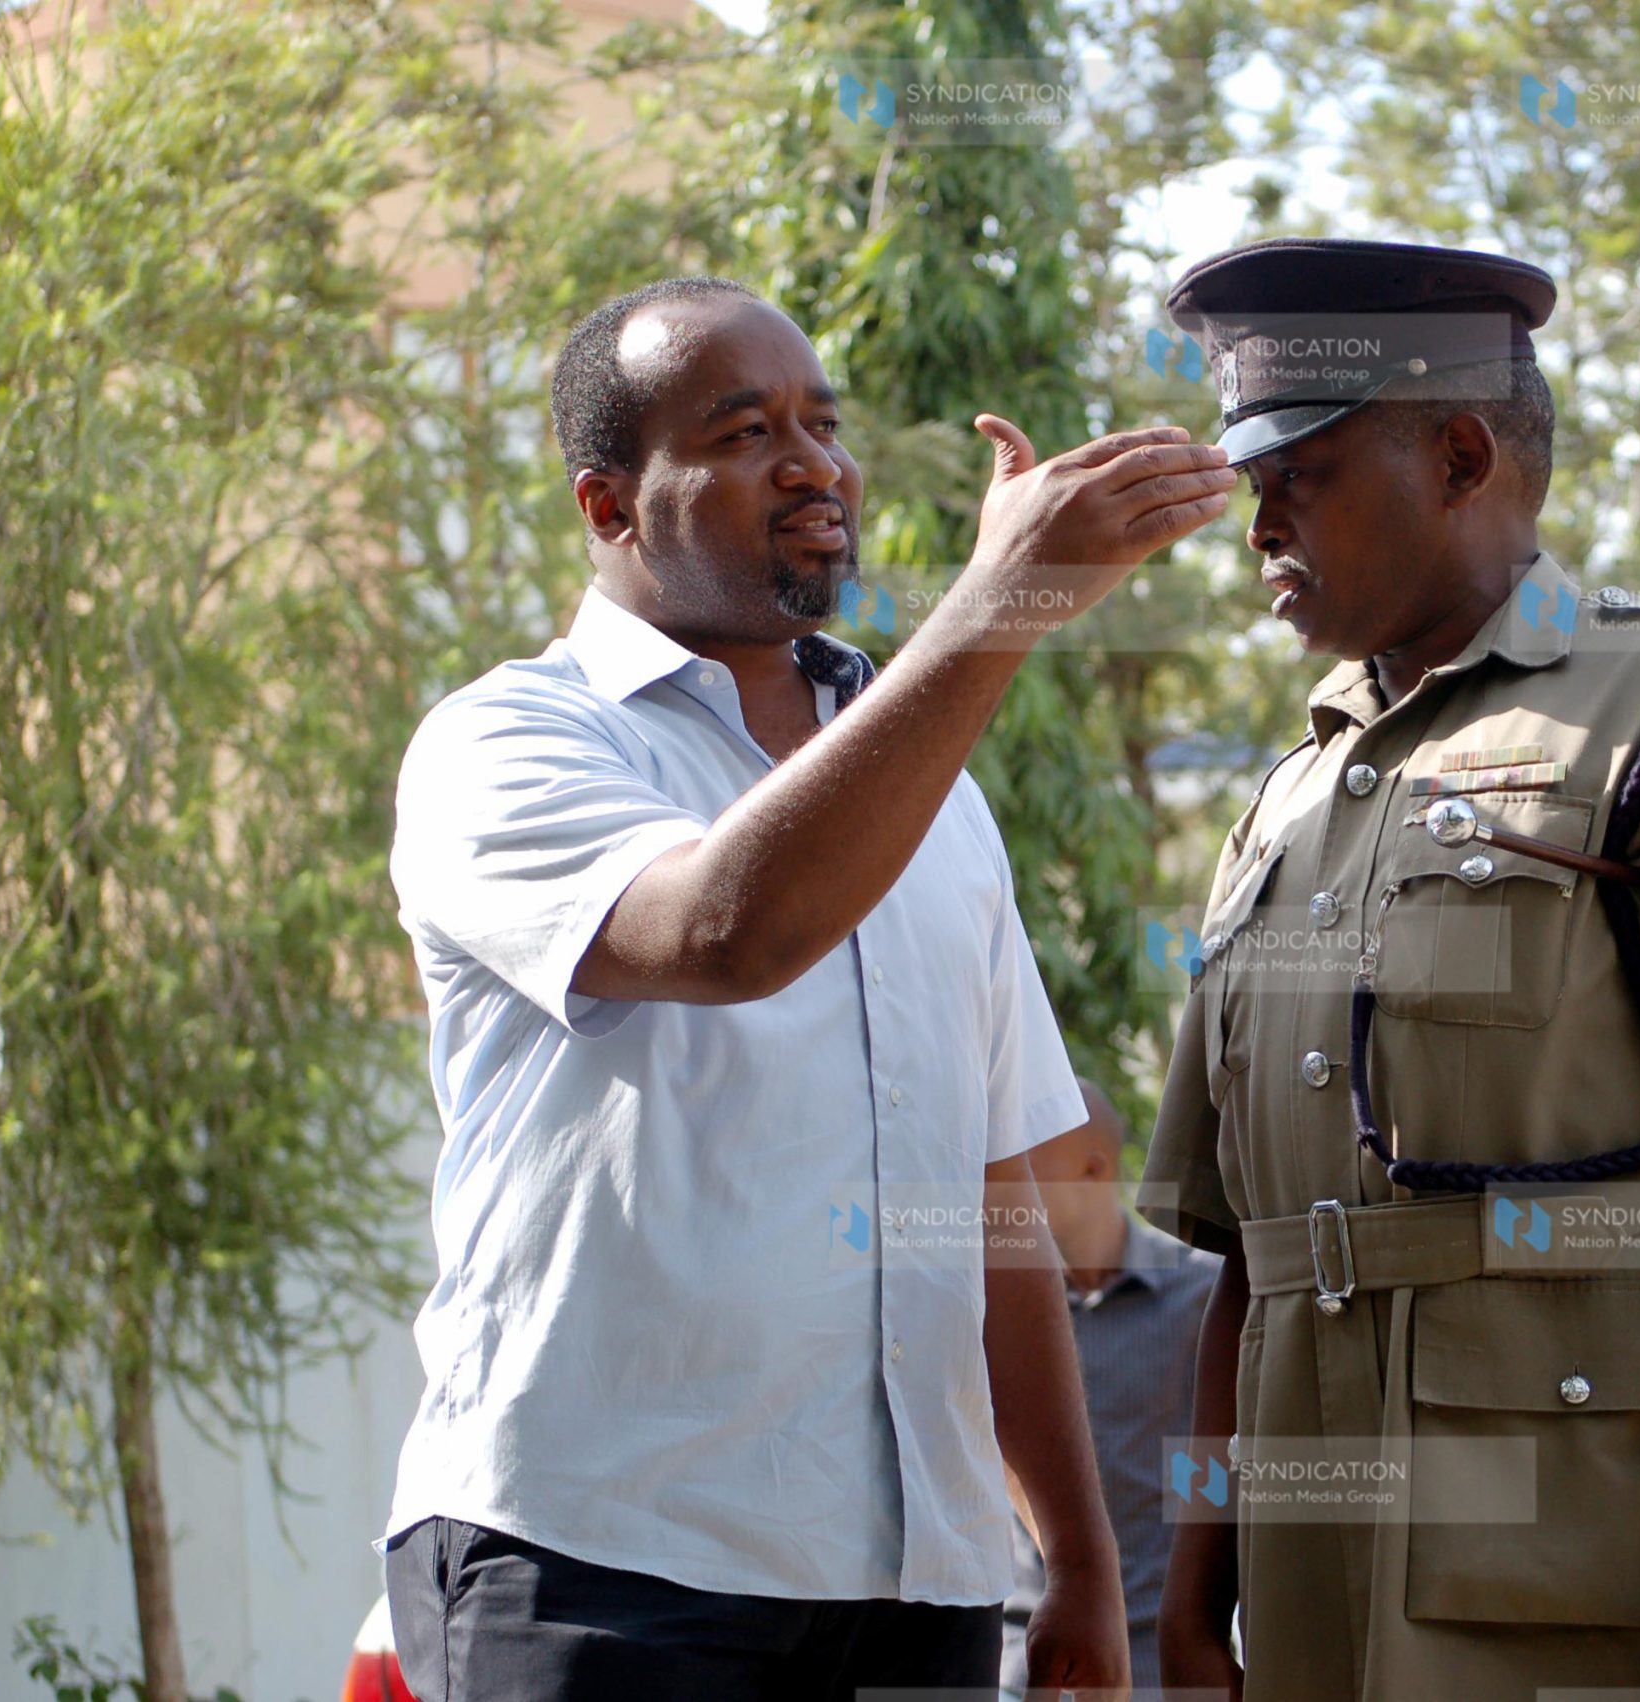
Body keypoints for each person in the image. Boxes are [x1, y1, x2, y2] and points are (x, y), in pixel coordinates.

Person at [380, 273, 1236, 1702]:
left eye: (822, 425)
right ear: (608, 504)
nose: (810, 464)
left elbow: (996, 1193)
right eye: (743, 432)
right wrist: (1000, 605)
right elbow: (729, 928)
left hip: (917, 1588)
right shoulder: (506, 741)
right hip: (604, 1564)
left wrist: (1076, 1556)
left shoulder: (937, 797)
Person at [1138, 239, 1640, 1702]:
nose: (1260, 528)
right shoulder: (1286, 797)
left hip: (1586, 1567)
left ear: (1461, 456)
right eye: (1250, 487)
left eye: (1302, 477)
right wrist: (1193, 1586)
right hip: (1311, 1591)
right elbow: (1249, 1247)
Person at [998, 1079, 1223, 1697]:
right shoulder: (995, 1319)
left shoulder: (1203, 1298)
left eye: (1027, 1165)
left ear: (1092, 1167)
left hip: (1157, 1664)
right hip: (1019, 1664)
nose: (1004, 1185)